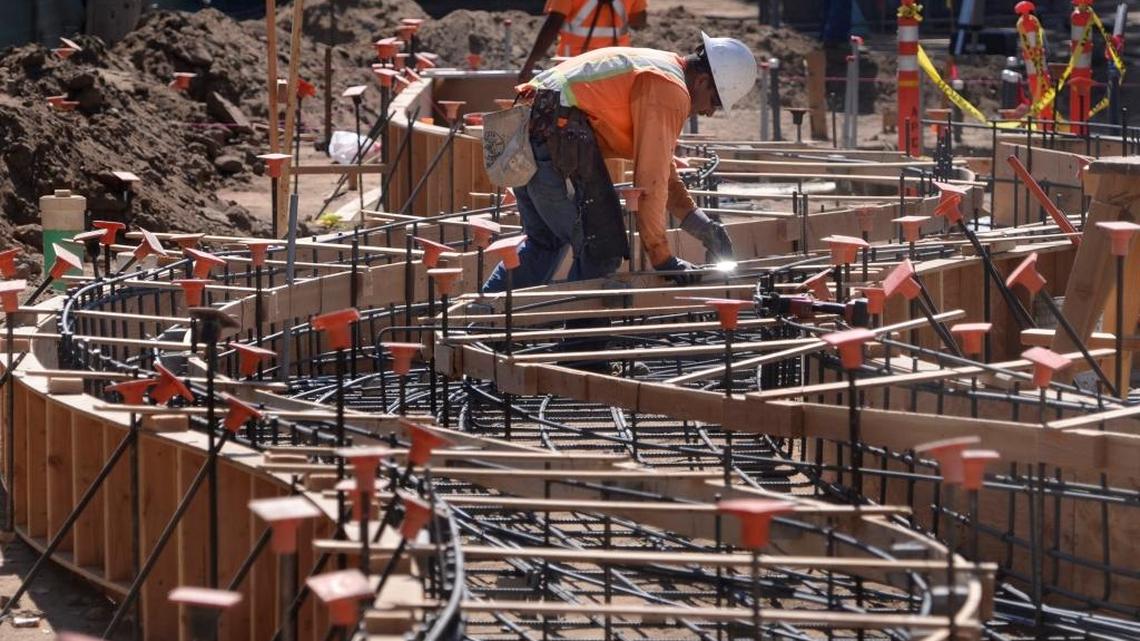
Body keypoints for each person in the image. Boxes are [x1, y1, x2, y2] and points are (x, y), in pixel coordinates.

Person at [482, 34, 755, 295]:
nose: (709, 111)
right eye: (715, 102)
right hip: (557, 134)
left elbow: (662, 170)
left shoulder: (660, 68)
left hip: (527, 131)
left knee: (546, 242)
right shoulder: (670, 89)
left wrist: (704, 227)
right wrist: (662, 258)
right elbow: (651, 181)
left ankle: (482, 320)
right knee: (602, 248)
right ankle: (580, 341)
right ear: (702, 81)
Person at [518, 0, 650, 83]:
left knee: (569, 119)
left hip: (572, 69)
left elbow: (552, 25)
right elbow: (640, 21)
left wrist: (529, 65)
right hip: (615, 68)